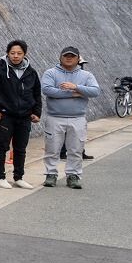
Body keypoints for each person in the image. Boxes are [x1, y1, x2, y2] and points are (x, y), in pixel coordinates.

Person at [0, 40, 42, 189]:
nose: (15, 56)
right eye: (12, 53)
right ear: (7, 53)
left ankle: (18, 177)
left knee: (21, 148)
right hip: (5, 115)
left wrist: (36, 112)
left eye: (19, 53)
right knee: (2, 146)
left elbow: (36, 93)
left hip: (25, 116)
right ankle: (0, 177)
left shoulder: (31, 72)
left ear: (25, 54)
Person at [41, 45, 100, 190]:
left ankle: (73, 175)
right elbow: (47, 90)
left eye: (72, 56)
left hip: (77, 118)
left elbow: (95, 91)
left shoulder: (86, 75)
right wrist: (74, 94)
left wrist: (76, 87)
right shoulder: (51, 73)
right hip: (55, 117)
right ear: (60, 57)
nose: (69, 58)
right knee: (52, 149)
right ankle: (51, 174)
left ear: (78, 59)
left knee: (76, 149)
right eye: (66, 55)